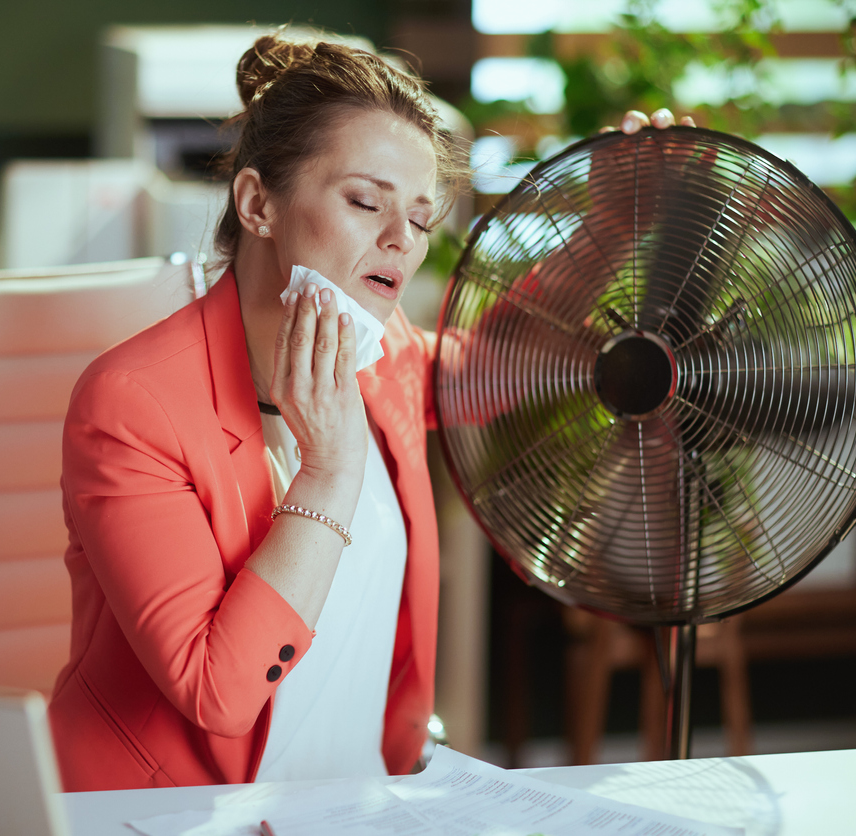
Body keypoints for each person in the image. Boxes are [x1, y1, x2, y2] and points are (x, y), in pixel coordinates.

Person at [47, 32, 689, 791]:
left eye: (420, 220)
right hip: (172, 814)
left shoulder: (377, 355)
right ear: (257, 203)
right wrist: (328, 471)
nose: (400, 240)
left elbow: (483, 370)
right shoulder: (132, 406)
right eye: (364, 201)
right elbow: (216, 691)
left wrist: (609, 226)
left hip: (353, 803)